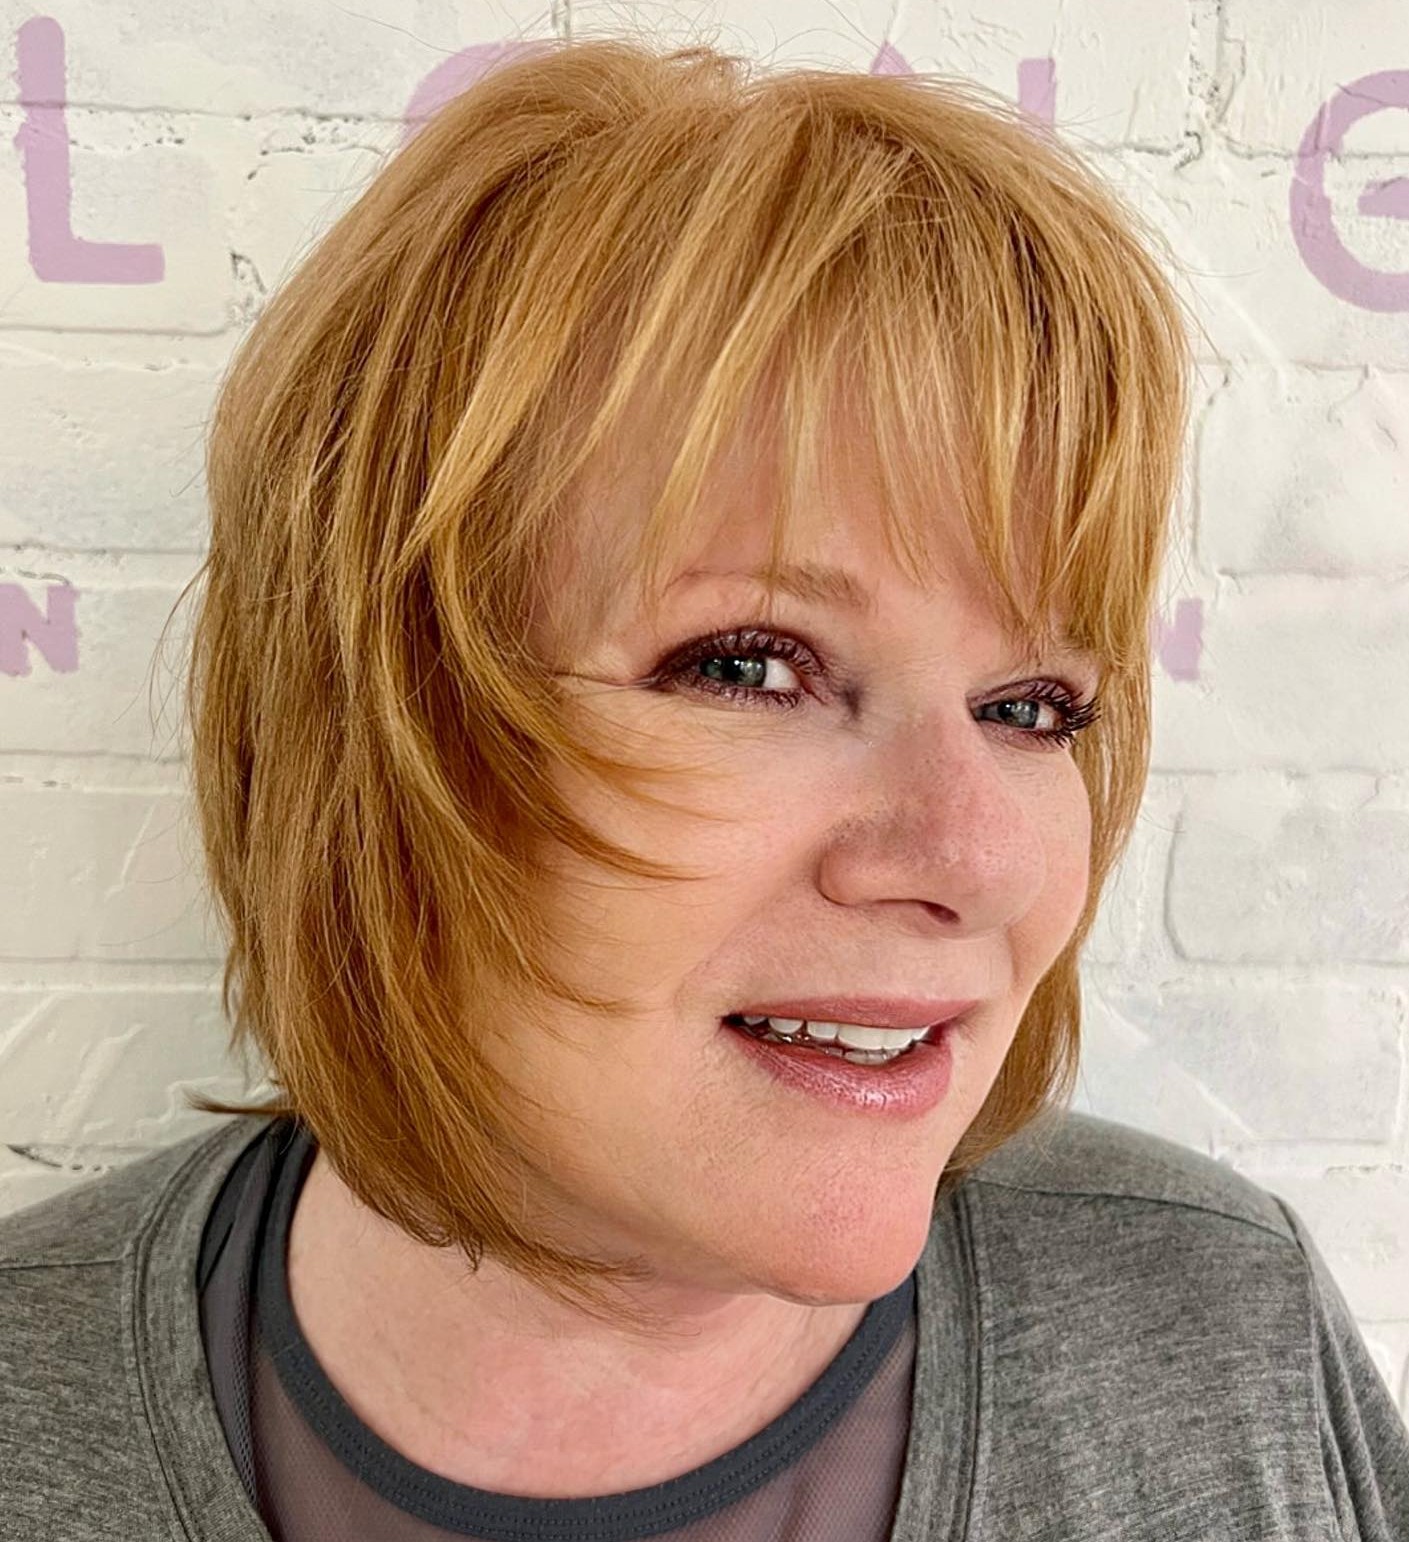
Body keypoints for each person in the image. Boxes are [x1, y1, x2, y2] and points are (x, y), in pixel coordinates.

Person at [2, 33, 1406, 1542]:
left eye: (1030, 707)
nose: (979, 855)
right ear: (374, 724)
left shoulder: (1219, 1338)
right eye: (748, 667)